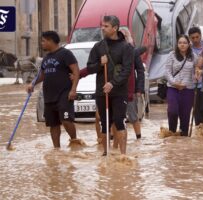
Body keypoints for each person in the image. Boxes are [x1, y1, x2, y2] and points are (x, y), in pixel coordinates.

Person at [26, 31, 82, 148]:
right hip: (49, 95)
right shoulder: (46, 58)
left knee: (66, 120)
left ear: (51, 41)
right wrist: (32, 84)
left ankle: (74, 141)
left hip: (64, 94)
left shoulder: (65, 54)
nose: (42, 43)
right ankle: (56, 150)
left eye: (43, 41)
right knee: (53, 124)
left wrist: (73, 89)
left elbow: (76, 71)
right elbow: (42, 75)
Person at [87, 15, 133, 156]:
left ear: (115, 28)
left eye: (106, 26)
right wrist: (100, 64)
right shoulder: (98, 46)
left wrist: (112, 83)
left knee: (119, 120)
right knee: (104, 122)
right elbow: (90, 68)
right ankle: (105, 154)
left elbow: (127, 70)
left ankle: (123, 155)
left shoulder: (126, 47)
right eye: (102, 25)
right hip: (102, 91)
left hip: (119, 91)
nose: (102, 28)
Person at [165, 35, 198, 136]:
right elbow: (167, 72)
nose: (182, 45)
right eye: (180, 43)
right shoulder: (172, 55)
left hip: (188, 90)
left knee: (185, 116)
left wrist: (197, 74)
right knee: (172, 111)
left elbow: (198, 69)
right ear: (177, 44)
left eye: (184, 43)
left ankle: (183, 141)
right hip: (173, 88)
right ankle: (172, 133)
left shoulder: (193, 56)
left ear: (188, 44)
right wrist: (174, 83)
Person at [188, 26, 203, 126]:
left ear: (200, 36)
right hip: (193, 85)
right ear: (190, 38)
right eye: (193, 38)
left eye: (197, 37)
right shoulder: (187, 50)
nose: (195, 40)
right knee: (196, 111)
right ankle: (199, 132)